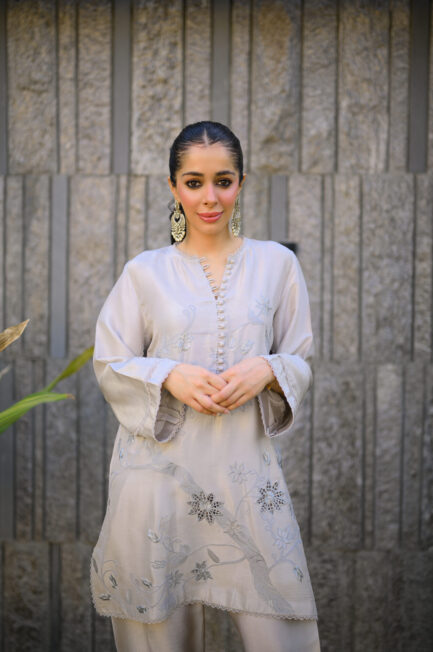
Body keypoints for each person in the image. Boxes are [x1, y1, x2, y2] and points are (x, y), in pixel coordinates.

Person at [89, 121, 321, 652]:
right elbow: (110, 362)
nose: (210, 197)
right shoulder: (145, 272)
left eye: (223, 181)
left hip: (246, 478)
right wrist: (168, 375)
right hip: (157, 480)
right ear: (174, 187)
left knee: (282, 628)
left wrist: (268, 369)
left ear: (241, 183)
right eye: (194, 183)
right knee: (157, 635)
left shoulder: (277, 264)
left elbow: (299, 356)